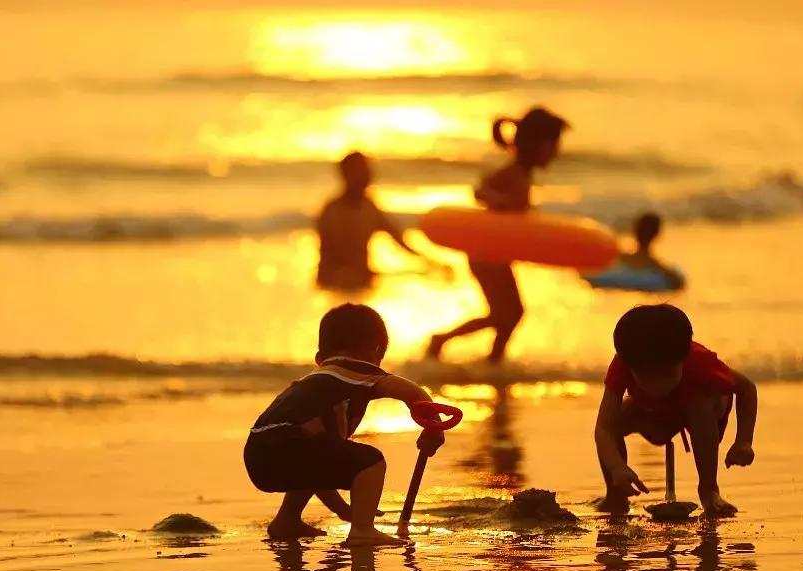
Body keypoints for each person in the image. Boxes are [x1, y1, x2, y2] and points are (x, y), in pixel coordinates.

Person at [243, 303, 446, 545]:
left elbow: (319, 473)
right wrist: (434, 426)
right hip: (289, 444)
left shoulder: (315, 385)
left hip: (258, 454)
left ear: (319, 357)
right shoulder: (351, 368)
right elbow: (411, 391)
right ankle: (363, 530)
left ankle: (286, 520)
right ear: (375, 352)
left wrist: (343, 510)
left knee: (317, 455)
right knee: (369, 461)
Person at [426, 107, 568, 363]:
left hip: (496, 255)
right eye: (553, 145)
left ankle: (493, 360)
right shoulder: (513, 172)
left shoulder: (523, 174)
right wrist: (498, 200)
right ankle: (445, 341)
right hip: (484, 254)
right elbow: (480, 190)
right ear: (538, 144)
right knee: (506, 314)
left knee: (512, 313)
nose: (556, 152)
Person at [592, 304, 758, 516]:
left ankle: (709, 490)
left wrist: (743, 441)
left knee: (700, 404)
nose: (658, 386)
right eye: (647, 378)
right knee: (616, 419)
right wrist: (617, 467)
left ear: (683, 358)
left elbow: (746, 388)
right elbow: (604, 428)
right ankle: (615, 494)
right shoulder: (624, 363)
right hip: (651, 411)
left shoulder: (699, 361)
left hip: (702, 410)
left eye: (667, 375)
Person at [317, 152, 437, 291]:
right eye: (362, 171)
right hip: (334, 284)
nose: (367, 176)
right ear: (346, 174)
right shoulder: (332, 211)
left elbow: (398, 239)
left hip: (360, 281)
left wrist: (429, 261)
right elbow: (330, 255)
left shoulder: (370, 208)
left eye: (367, 171)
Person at [618, 211, 685, 290]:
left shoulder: (619, 258)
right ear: (657, 234)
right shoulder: (656, 266)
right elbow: (678, 283)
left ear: (634, 230)